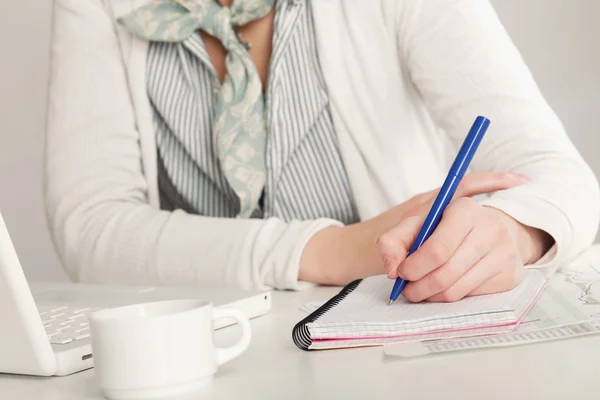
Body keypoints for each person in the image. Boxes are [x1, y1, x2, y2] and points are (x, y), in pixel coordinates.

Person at [44, 0, 599, 302]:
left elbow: (557, 173)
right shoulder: (96, 7)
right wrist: (337, 249)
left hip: (392, 359)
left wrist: (512, 232)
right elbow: (90, 230)